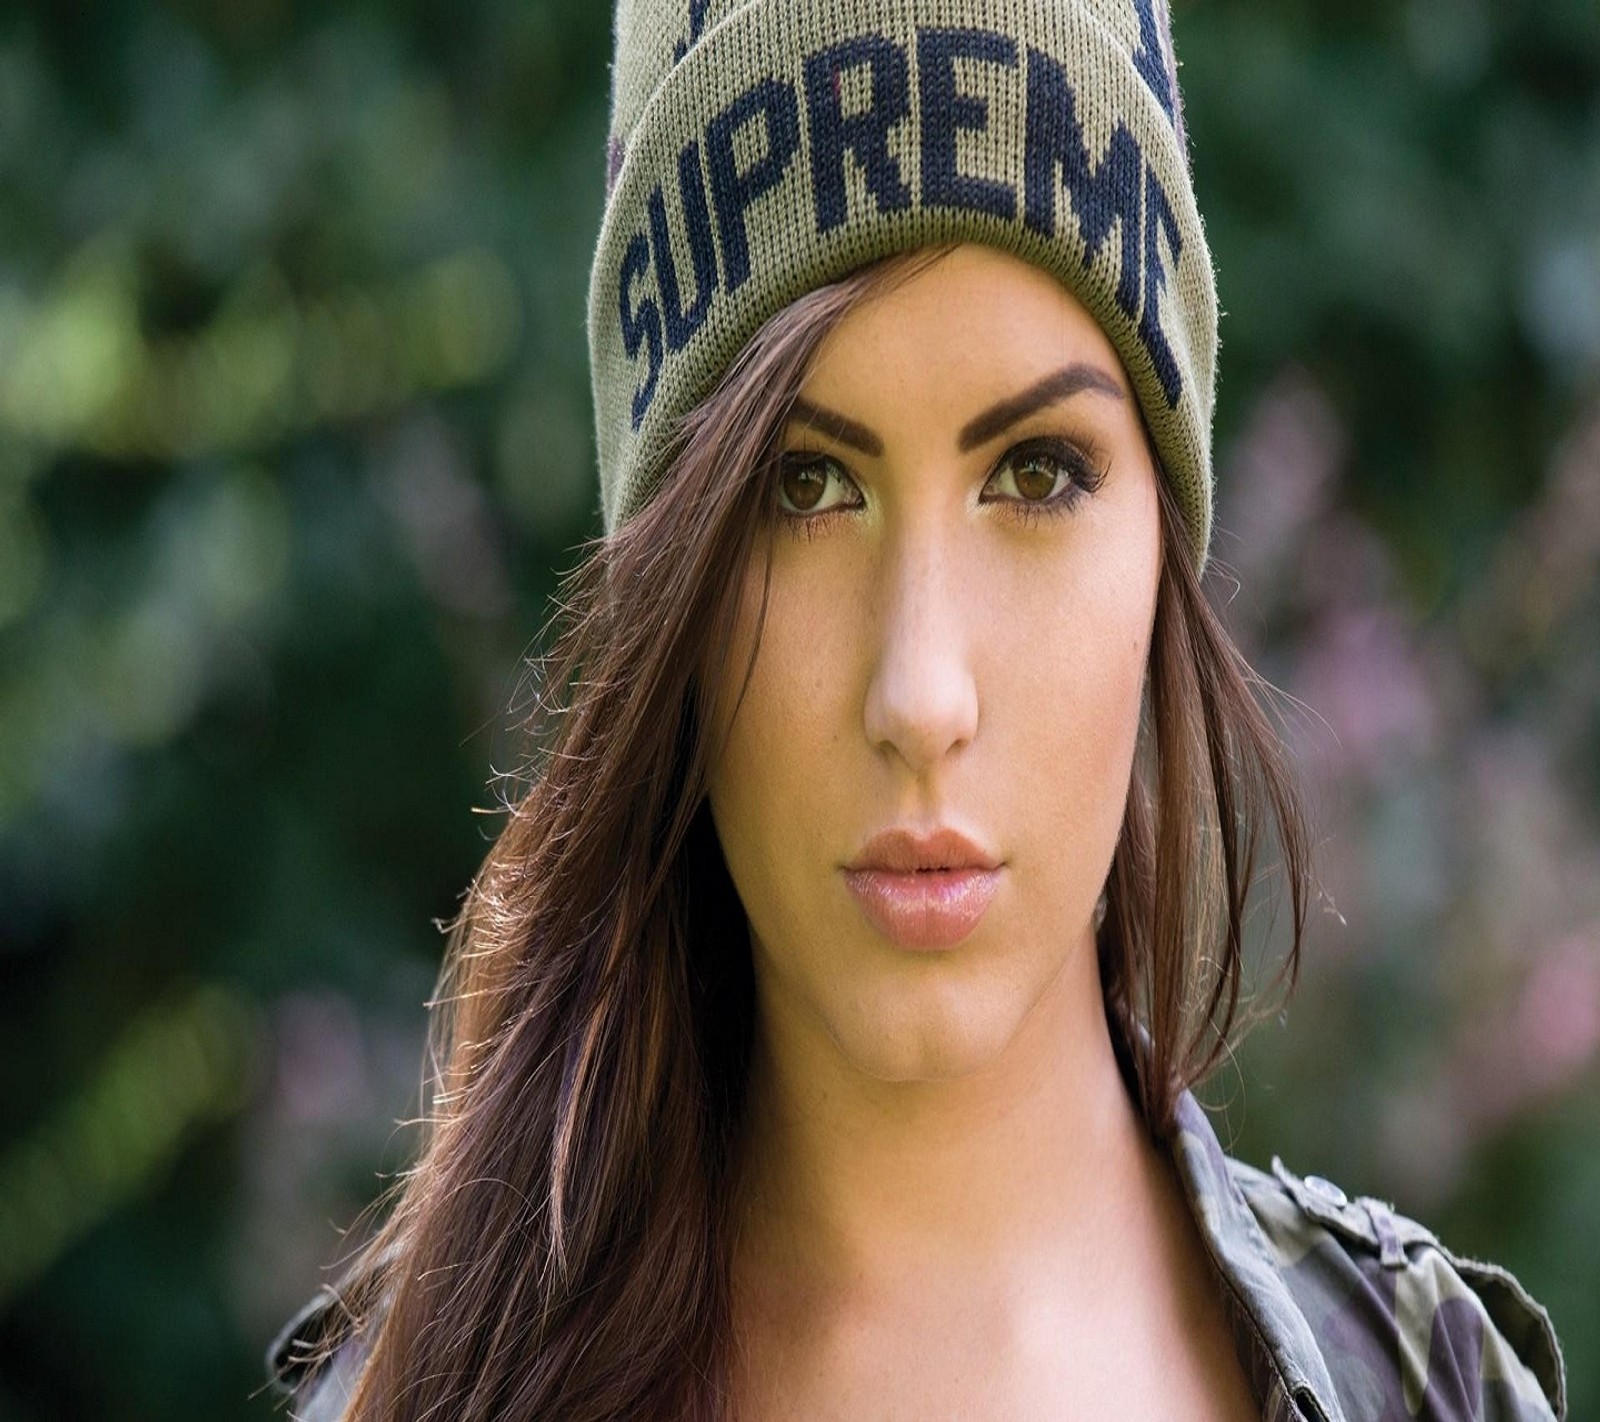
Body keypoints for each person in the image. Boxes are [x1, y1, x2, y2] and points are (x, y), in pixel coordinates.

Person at [265, 2, 1568, 1419]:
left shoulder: (1424, 1383)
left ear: (1163, 550)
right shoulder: (427, 1396)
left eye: (1037, 472)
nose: (921, 693)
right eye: (802, 487)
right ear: (669, 596)